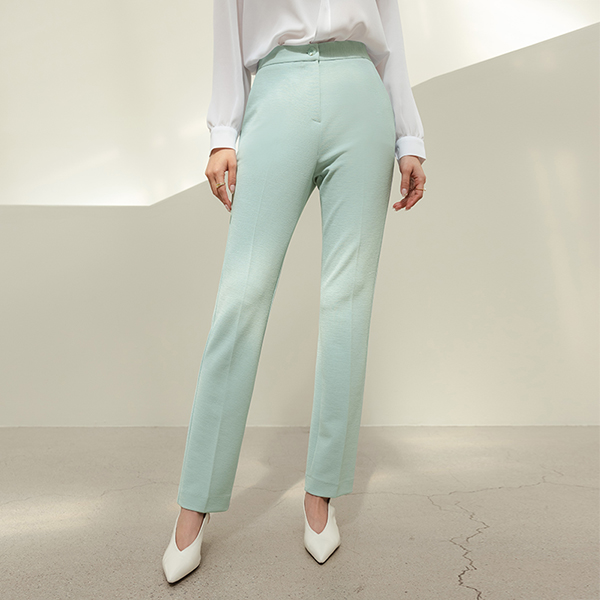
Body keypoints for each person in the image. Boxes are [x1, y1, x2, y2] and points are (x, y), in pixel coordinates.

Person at [162, 0, 427, 582]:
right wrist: (223, 133)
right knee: (241, 298)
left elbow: (390, 32)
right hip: (277, 91)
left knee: (348, 302)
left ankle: (321, 492)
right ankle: (195, 502)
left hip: (362, 95)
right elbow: (229, 26)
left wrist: (409, 137)